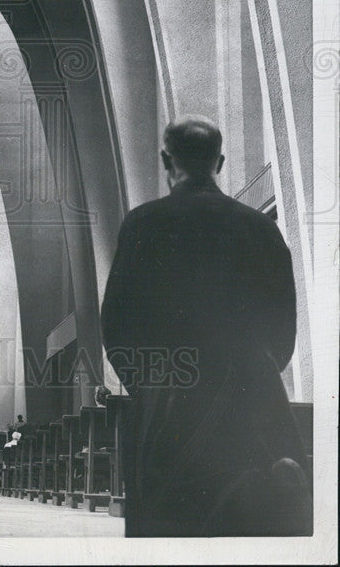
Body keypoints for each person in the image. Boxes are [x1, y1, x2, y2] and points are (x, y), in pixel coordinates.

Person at [101, 117, 311, 537]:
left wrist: (152, 385)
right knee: (245, 532)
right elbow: (283, 335)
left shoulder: (143, 224)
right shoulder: (262, 229)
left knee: (168, 533)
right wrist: (252, 373)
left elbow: (117, 326)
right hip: (249, 411)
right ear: (220, 160)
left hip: (167, 411)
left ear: (166, 159)